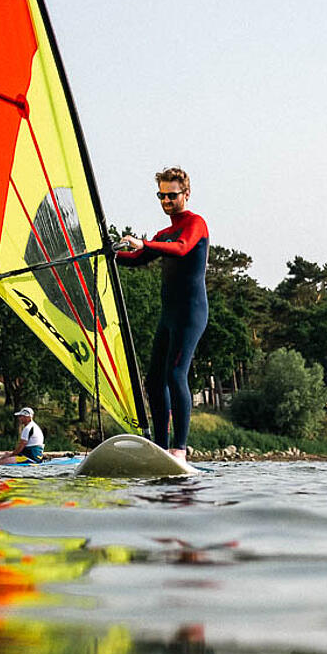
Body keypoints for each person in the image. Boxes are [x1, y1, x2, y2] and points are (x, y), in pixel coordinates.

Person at [116, 167, 208, 461]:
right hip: (168, 316)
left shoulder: (195, 224)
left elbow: (181, 249)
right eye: (162, 195)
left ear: (186, 194)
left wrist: (145, 243)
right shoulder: (164, 233)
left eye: (172, 195)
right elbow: (135, 260)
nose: (166, 200)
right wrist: (109, 253)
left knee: (175, 374)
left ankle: (179, 450)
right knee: (153, 381)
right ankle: (160, 447)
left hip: (191, 314)